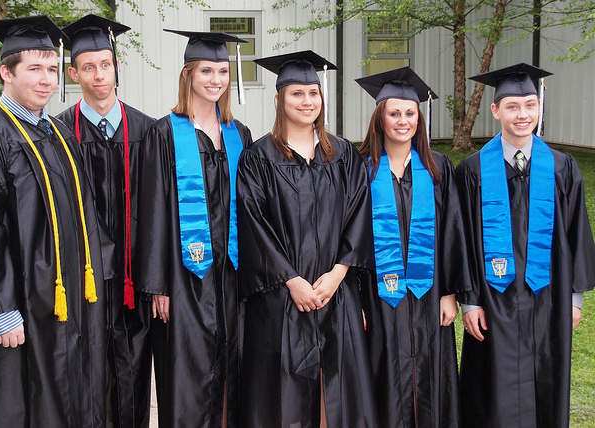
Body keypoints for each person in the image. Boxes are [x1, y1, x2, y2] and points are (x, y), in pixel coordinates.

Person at [0, 16, 107, 428]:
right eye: (34, 69)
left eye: (52, 69)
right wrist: (0, 309)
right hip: (20, 306)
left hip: (66, 300)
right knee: (20, 405)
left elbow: (85, 216)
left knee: (70, 399)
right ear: (6, 72)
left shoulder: (59, 133)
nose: (46, 80)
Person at [238, 50, 378, 428]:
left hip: (336, 291)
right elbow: (254, 224)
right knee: (282, 395)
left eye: (313, 93)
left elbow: (358, 215)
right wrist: (292, 280)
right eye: (296, 93)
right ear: (280, 99)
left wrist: (338, 273)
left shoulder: (343, 154)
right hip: (282, 297)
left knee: (338, 392)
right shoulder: (258, 157)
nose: (306, 102)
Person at [457, 63, 595, 428]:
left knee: (546, 376)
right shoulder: (471, 171)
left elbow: (576, 231)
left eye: (530, 105)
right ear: (496, 110)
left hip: (548, 297)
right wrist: (469, 300)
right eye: (513, 106)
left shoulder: (562, 167)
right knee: (491, 386)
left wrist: (574, 298)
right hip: (492, 296)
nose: (523, 114)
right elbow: (463, 239)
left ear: (539, 108)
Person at [135, 30, 252, 428]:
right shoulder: (163, 133)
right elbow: (150, 211)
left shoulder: (239, 135)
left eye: (222, 71)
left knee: (234, 368)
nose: (216, 79)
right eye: (206, 70)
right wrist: (158, 285)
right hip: (184, 278)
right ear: (188, 75)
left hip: (233, 277)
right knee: (187, 375)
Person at [56, 14, 156, 428]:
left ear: (117, 66)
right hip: (84, 281)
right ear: (73, 71)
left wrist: (156, 280)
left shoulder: (149, 131)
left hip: (135, 280)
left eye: (106, 64)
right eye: (89, 66)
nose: (100, 75)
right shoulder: (58, 132)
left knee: (132, 372)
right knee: (87, 374)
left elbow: (158, 213)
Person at [356, 67, 468, 428]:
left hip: (429, 292)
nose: (402, 121)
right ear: (380, 118)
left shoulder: (438, 169)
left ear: (419, 119)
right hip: (378, 294)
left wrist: (450, 293)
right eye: (394, 113)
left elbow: (453, 231)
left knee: (430, 371)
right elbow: (350, 237)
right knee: (382, 367)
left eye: (410, 114)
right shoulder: (360, 170)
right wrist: (355, 299)